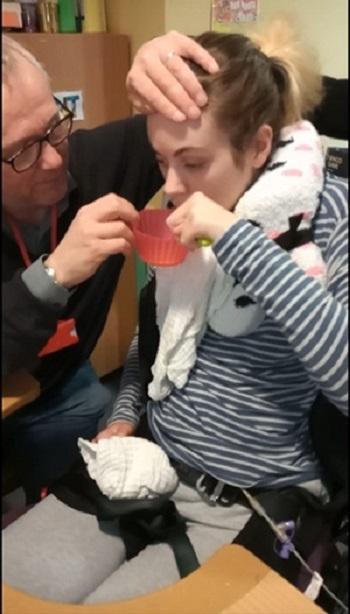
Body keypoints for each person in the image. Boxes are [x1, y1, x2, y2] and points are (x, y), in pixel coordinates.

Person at [3, 19, 348, 604]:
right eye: (161, 161)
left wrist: (235, 238)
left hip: (247, 496)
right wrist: (126, 414)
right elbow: (159, 337)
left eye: (191, 163)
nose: (171, 186)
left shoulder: (322, 219)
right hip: (148, 461)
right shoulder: (185, 201)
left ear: (260, 145)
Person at [1, 32, 218, 502]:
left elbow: (249, 95)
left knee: (93, 466)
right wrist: (53, 275)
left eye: (55, 125)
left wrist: (173, 65)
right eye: (24, 151)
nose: (57, 158)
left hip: (67, 388)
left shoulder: (99, 159)